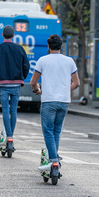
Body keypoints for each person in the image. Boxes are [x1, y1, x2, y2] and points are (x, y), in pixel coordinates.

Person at [30, 34, 80, 170]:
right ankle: (54, 161)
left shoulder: (42, 60)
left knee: (48, 131)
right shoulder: (69, 61)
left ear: (48, 46)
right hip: (64, 101)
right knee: (57, 131)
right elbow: (76, 83)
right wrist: (65, 90)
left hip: (49, 100)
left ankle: (53, 161)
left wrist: (38, 90)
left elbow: (33, 82)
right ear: (61, 46)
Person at [0, 25, 30, 149]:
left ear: (2, 35)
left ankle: (9, 137)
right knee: (14, 110)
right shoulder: (20, 49)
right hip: (16, 83)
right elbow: (26, 65)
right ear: (13, 35)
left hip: (2, 83)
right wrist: (22, 77)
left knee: (5, 109)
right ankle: (11, 137)